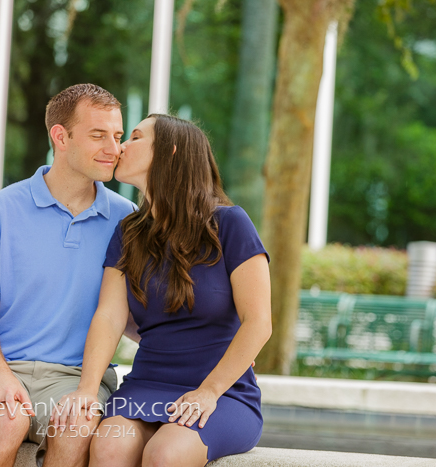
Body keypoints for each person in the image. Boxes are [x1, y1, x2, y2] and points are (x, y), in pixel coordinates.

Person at [52, 114, 272, 466]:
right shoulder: (129, 232)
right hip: (147, 384)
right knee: (108, 446)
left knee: (165, 453)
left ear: (168, 153)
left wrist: (208, 392)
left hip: (222, 393)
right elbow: (109, 317)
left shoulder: (230, 224)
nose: (120, 146)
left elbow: (259, 322)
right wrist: (87, 391)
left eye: (135, 137)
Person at [0, 84, 137, 467]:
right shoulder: (0, 210)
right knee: (4, 423)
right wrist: (0, 376)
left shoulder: (127, 218)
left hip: (77, 377)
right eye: (98, 135)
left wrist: (212, 343)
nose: (114, 149)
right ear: (60, 137)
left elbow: (135, 315)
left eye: (117, 136)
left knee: (77, 427)